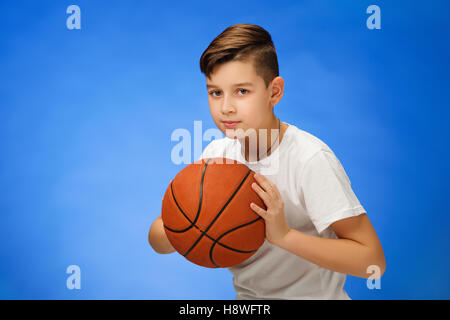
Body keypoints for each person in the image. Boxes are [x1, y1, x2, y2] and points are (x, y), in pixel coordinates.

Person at [148, 23, 386, 300]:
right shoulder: (217, 156)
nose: (226, 107)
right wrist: (188, 216)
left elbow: (373, 263)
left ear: (274, 92)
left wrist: (285, 236)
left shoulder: (309, 159)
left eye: (242, 91)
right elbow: (159, 242)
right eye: (215, 92)